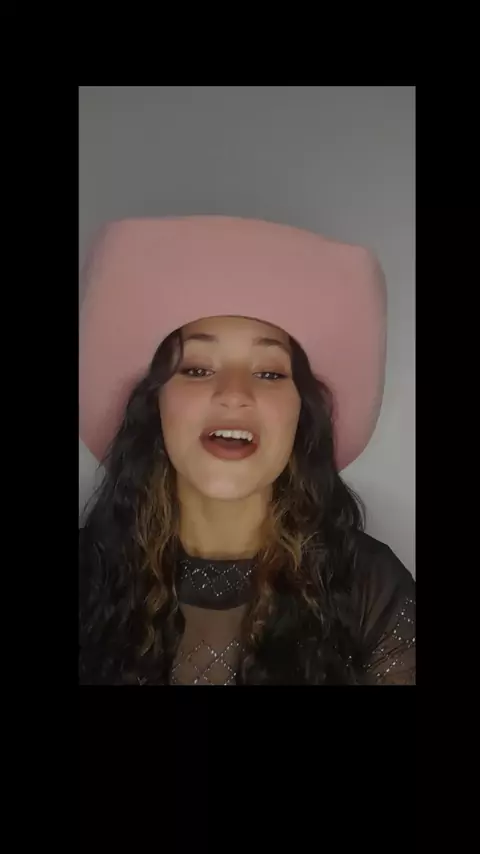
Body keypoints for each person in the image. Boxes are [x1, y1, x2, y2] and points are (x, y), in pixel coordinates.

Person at [79, 216, 415, 685]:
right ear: (154, 404)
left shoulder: (372, 589)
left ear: (301, 413)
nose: (234, 394)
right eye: (197, 369)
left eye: (270, 373)